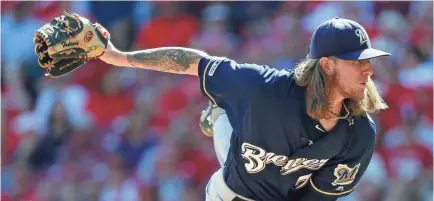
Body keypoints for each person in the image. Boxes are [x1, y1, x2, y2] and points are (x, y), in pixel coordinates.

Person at [99, 17, 390, 201]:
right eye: (356, 61)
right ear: (326, 65)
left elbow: (318, 197)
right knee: (234, 138)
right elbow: (195, 62)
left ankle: (220, 115)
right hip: (231, 193)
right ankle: (220, 112)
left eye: (367, 60)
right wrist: (118, 57)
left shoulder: (359, 133)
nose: (367, 70)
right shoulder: (265, 88)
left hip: (275, 188)